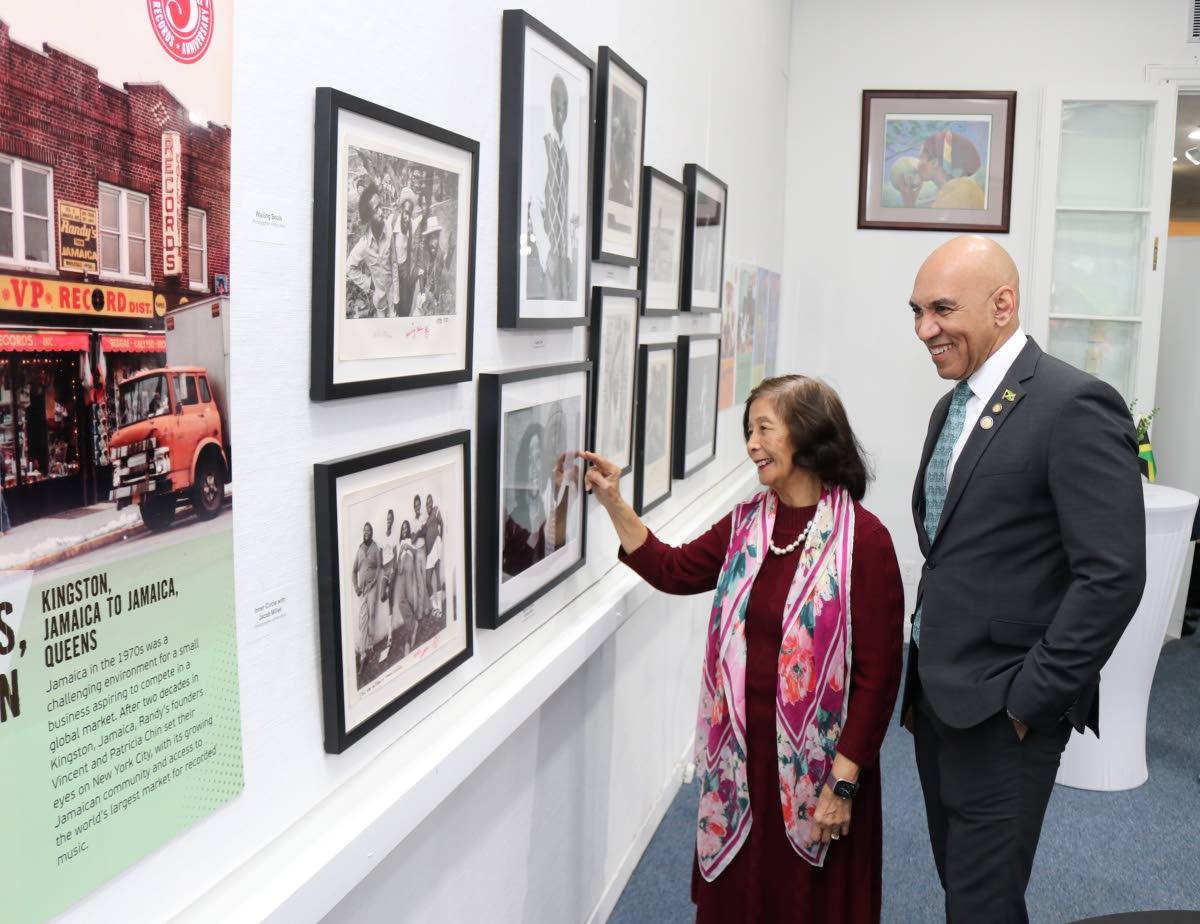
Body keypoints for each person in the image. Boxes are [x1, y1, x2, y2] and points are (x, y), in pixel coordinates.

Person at [582, 375, 904, 923]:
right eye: (748, 430)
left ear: (808, 436)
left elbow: (878, 678)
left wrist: (843, 782)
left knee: (807, 901)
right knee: (742, 895)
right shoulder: (748, 525)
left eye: (764, 430)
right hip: (742, 755)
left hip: (821, 765)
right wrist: (613, 500)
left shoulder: (864, 542)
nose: (751, 444)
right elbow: (673, 569)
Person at [903, 235, 1146, 922]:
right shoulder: (950, 409)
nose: (926, 330)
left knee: (982, 905)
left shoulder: (1075, 404)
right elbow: (950, 547)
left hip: (1005, 710)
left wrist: (1029, 702)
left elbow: (1113, 574)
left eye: (943, 309)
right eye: (917, 311)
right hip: (937, 698)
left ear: (1003, 305)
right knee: (967, 888)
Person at [346, 180, 397, 317]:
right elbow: (349, 267)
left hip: (394, 296)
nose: (381, 212)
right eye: (376, 209)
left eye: (381, 206)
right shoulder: (363, 245)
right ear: (368, 217)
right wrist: (370, 284)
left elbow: (394, 263)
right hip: (379, 301)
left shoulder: (389, 228)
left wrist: (397, 295)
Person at [351, 521, 383, 676]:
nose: (367, 533)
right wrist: (356, 587)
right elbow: (353, 571)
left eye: (369, 530)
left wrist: (373, 583)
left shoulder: (375, 548)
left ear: (372, 532)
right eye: (365, 530)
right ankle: (362, 652)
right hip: (363, 591)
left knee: (371, 615)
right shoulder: (359, 550)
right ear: (363, 532)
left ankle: (370, 647)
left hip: (373, 588)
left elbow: (378, 567)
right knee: (362, 619)